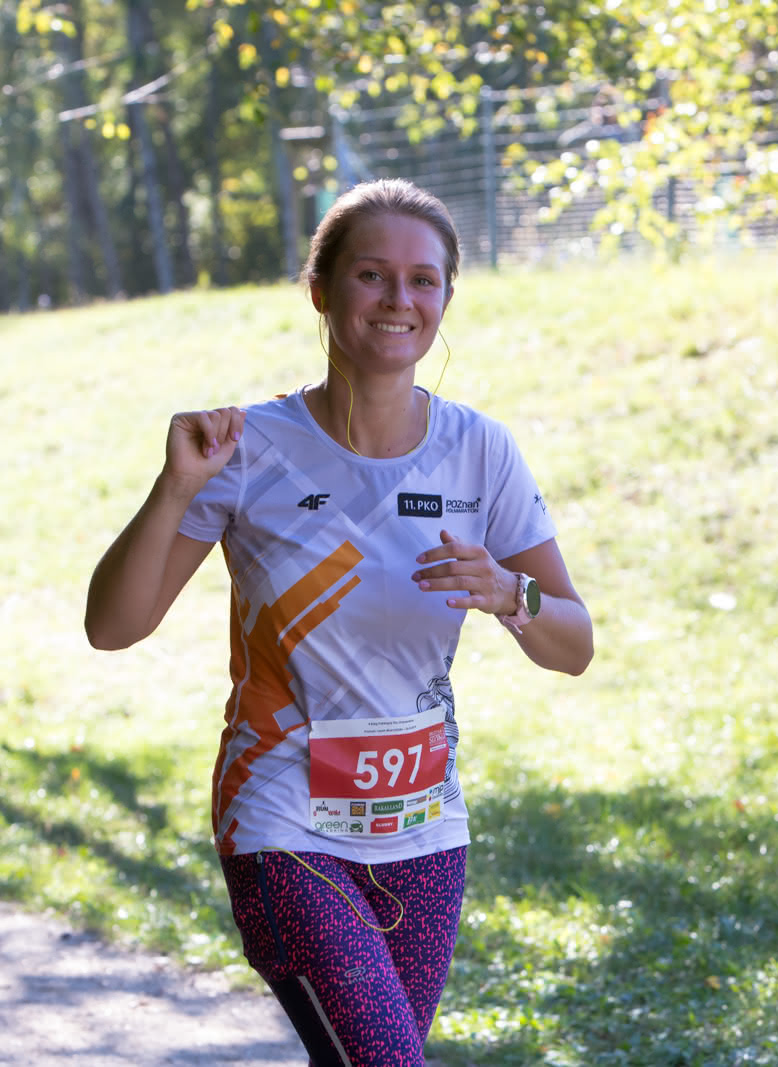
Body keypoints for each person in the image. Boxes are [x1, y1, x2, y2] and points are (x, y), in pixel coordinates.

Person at [84, 178, 593, 1066]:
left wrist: (514, 596)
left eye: (424, 281)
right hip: (282, 817)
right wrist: (174, 488)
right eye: (372, 275)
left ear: (444, 298)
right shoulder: (247, 450)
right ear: (320, 290)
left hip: (425, 827)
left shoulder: (482, 450)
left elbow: (574, 643)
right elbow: (114, 626)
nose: (400, 301)